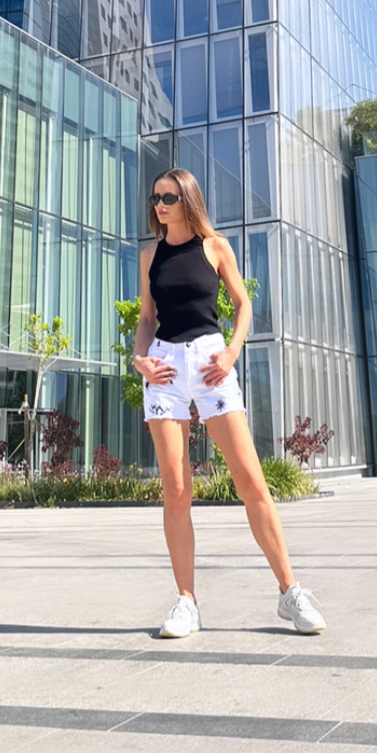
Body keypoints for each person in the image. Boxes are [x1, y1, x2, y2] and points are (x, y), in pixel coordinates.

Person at [134, 167, 326, 640]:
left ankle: (290, 592)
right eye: (156, 198)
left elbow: (243, 304)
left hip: (210, 363)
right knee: (176, 489)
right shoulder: (150, 255)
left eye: (169, 198)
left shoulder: (215, 247)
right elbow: (147, 317)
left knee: (251, 482)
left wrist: (232, 352)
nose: (161, 206)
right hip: (164, 369)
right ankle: (186, 602)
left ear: (188, 200)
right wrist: (140, 360)